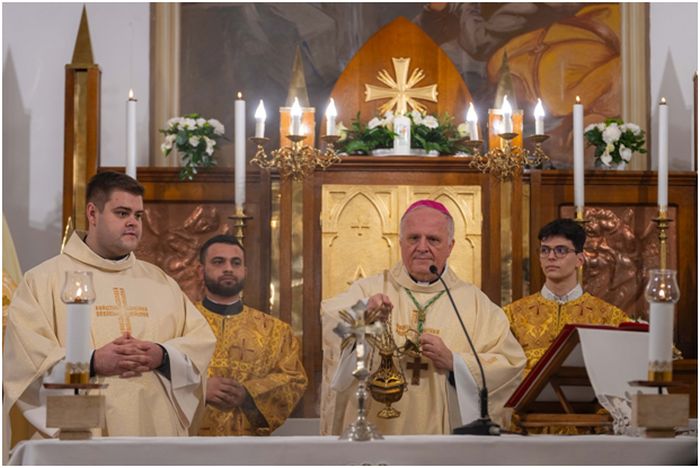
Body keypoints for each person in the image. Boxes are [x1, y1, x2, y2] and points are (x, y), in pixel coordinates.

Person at [3, 172, 216, 452]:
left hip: (155, 430)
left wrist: (162, 355)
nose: (133, 223)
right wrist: (91, 362)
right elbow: (25, 363)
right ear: (93, 213)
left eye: (138, 215)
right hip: (81, 428)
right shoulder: (43, 281)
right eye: (122, 213)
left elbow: (200, 342)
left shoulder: (160, 282)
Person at [320, 200, 526, 435]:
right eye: (413, 238)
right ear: (400, 243)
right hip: (378, 433)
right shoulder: (370, 291)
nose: (422, 247)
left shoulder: (476, 304)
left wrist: (455, 362)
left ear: (451, 246)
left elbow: (510, 365)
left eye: (433, 239)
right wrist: (363, 317)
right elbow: (331, 321)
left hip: (447, 438)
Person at [195, 235, 307, 436]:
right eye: (218, 262)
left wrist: (248, 394)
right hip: (188, 443)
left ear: (244, 271)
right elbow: (162, 374)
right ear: (201, 271)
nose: (228, 268)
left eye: (235, 263)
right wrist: (199, 389)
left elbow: (294, 379)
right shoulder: (181, 321)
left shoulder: (276, 331)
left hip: (248, 445)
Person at [503, 218, 631, 375]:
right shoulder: (512, 315)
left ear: (580, 260)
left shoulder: (609, 317)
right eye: (545, 250)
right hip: (528, 399)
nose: (551, 257)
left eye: (561, 250)